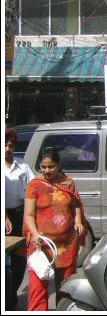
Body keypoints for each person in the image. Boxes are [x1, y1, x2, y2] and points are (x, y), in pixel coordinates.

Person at [24, 147, 86, 311]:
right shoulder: (35, 186)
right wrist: (35, 234)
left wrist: (78, 221)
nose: (47, 171)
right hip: (41, 245)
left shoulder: (68, 182)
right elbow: (29, 215)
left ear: (59, 165)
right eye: (43, 167)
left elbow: (76, 204)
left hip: (66, 245)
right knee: (38, 290)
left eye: (51, 166)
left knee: (65, 288)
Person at [5, 127, 35, 310]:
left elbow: (34, 187)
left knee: (19, 260)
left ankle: (12, 294)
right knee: (6, 262)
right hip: (5, 218)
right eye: (5, 145)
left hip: (20, 215)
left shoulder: (22, 165)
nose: (8, 149)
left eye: (10, 145)